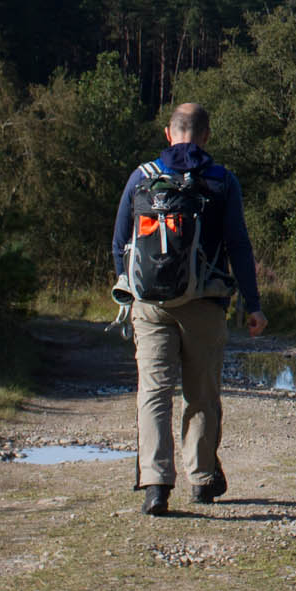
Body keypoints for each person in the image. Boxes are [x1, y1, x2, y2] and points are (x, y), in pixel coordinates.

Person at [110, 102, 265, 516]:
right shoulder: (222, 180)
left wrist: (131, 287)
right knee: (201, 394)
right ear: (206, 136)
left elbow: (120, 243)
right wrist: (253, 304)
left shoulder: (142, 178)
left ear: (168, 133)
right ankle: (200, 479)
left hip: (150, 304)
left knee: (154, 392)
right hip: (205, 302)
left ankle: (156, 485)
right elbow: (238, 245)